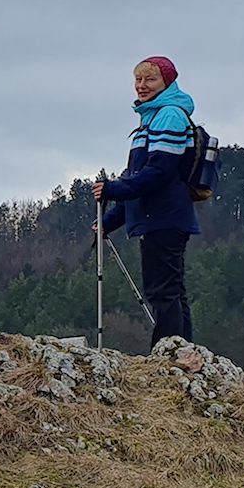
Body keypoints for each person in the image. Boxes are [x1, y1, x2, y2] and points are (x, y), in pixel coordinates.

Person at [93, 55, 199, 346]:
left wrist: (113, 189)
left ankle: (169, 352)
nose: (141, 86)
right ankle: (181, 350)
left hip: (163, 216)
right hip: (159, 216)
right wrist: (110, 221)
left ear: (167, 83)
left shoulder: (170, 114)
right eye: (138, 80)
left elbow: (158, 173)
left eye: (150, 79)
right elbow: (139, 177)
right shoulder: (151, 117)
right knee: (171, 289)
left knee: (163, 290)